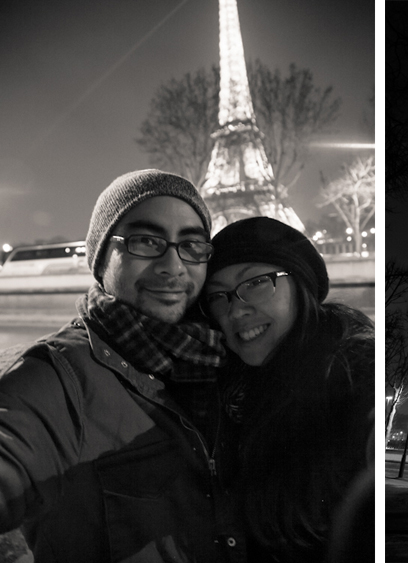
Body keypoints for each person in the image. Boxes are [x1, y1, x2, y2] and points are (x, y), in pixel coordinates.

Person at [0, 170, 246, 561]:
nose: (173, 266)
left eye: (192, 245)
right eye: (146, 241)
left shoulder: (223, 361)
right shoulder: (56, 378)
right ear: (101, 260)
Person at [202, 217, 374, 562]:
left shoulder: (355, 381)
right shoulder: (227, 390)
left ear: (300, 285)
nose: (236, 309)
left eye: (256, 283)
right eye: (219, 296)